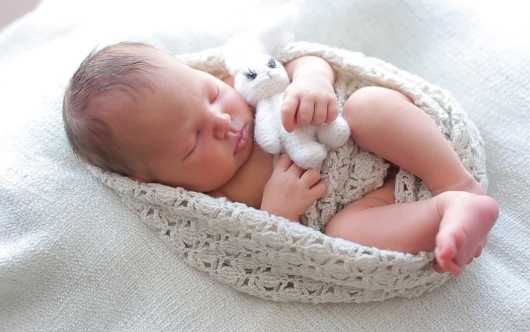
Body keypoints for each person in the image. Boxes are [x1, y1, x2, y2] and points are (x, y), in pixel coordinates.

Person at [63, 42, 499, 276]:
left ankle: (454, 182)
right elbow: (261, 247)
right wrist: (277, 212)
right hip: (366, 202)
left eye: (211, 94)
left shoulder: (250, 87)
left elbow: (302, 56)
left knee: (368, 106)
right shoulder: (213, 201)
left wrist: (312, 81)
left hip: (372, 136)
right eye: (193, 141)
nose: (221, 120)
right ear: (151, 179)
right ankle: (447, 211)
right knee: (347, 230)